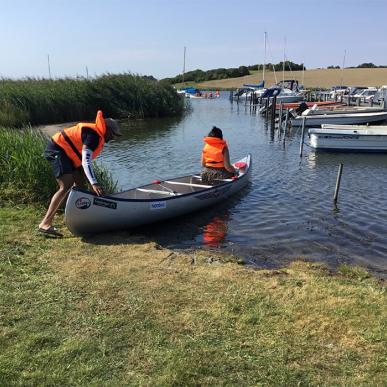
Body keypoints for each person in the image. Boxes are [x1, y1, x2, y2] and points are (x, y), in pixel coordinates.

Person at [38, 110, 121, 237]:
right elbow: (86, 161)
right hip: (57, 150)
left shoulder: (97, 135)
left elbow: (82, 160)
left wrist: (90, 182)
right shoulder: (93, 136)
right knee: (66, 185)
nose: (113, 138)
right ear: (107, 130)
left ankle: (81, 220)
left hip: (68, 154)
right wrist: (94, 183)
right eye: (113, 134)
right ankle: (45, 223)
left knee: (81, 187)